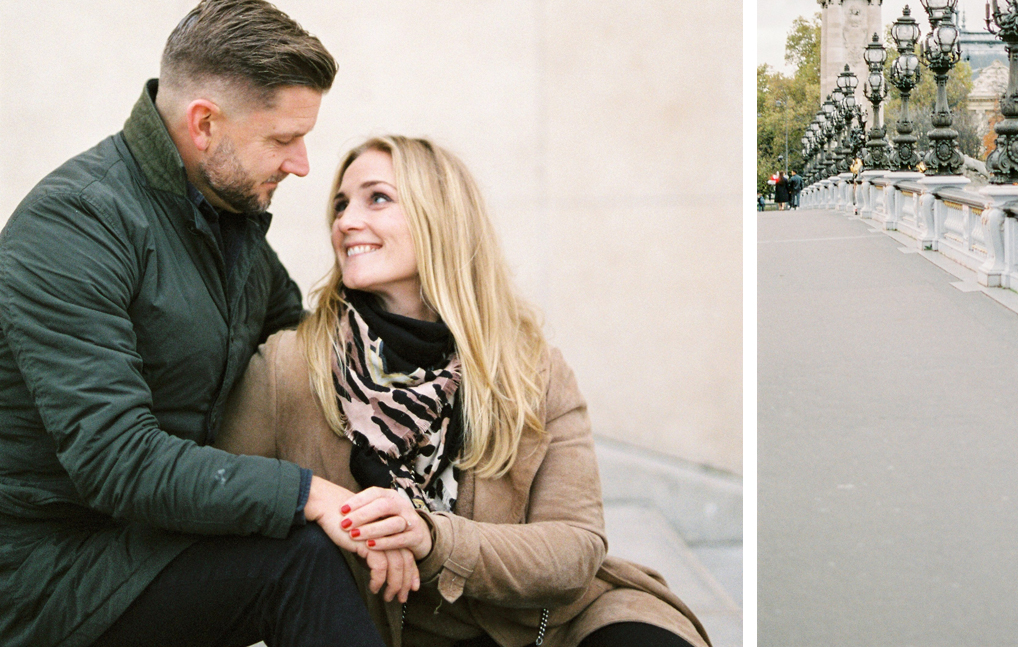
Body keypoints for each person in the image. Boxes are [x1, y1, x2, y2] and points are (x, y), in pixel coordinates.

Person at [0, 0, 393, 647]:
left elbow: (305, 353)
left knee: (339, 540)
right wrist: (310, 494)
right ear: (205, 124)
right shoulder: (75, 226)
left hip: (148, 545)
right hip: (46, 575)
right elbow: (118, 460)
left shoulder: (224, 222)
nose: (301, 166)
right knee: (296, 560)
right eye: (284, 139)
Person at [217, 136, 711, 647]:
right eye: (341, 204)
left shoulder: (528, 367)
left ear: (441, 217)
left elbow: (576, 548)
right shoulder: (289, 366)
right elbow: (230, 505)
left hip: (549, 626)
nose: (344, 221)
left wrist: (433, 539)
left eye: (377, 198)